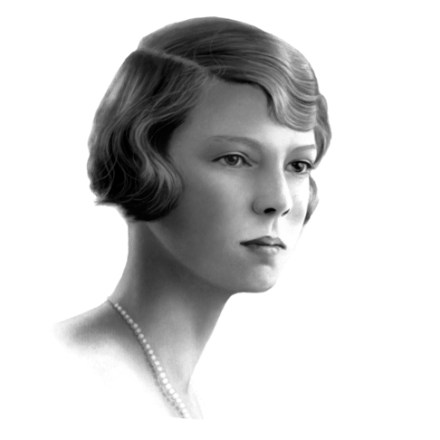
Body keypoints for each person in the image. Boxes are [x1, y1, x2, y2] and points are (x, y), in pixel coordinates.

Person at [55, 16, 331, 420]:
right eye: (234, 159)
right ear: (141, 164)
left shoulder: (223, 400)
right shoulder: (51, 383)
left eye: (298, 165)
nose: (279, 200)